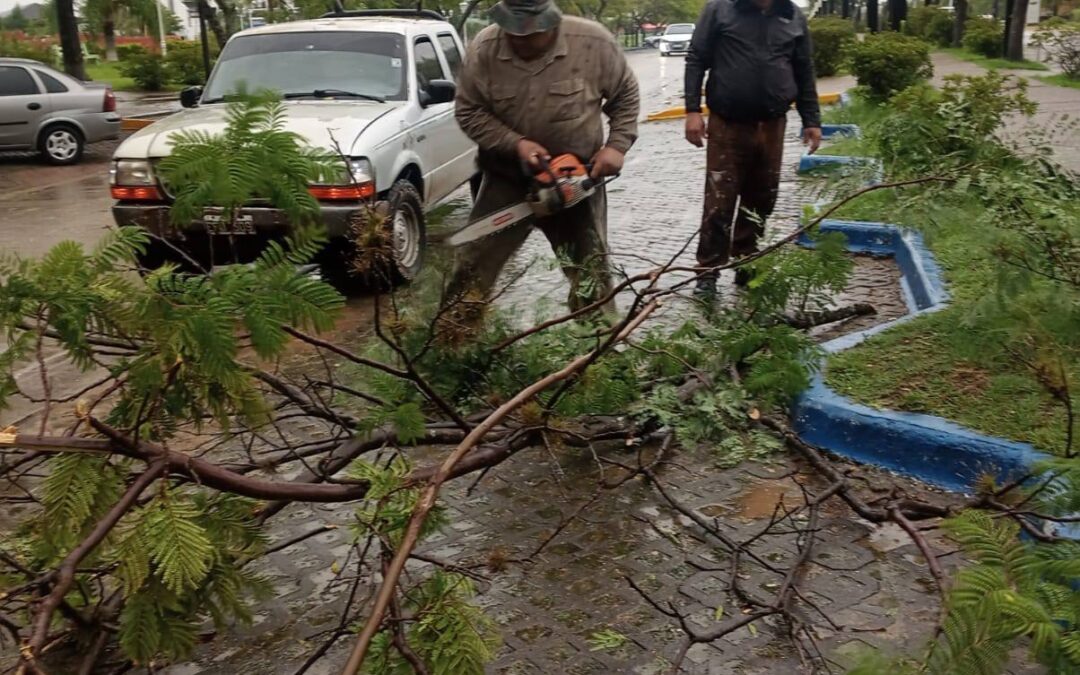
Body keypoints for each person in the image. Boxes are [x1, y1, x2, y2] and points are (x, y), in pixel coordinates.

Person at [448, 0, 639, 314]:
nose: (521, 38)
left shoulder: (594, 42)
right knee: (472, 267)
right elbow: (468, 111)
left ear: (550, 22)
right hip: (506, 178)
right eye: (514, 31)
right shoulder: (484, 48)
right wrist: (516, 143)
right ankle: (454, 338)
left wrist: (616, 146)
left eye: (530, 32)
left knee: (590, 272)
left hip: (574, 180)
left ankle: (599, 347)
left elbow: (625, 92)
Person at [684, 0, 823, 299]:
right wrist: (692, 110)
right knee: (719, 201)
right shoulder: (719, 10)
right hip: (727, 124)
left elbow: (803, 70)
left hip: (772, 124)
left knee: (762, 197)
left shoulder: (792, 16)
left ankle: (746, 260)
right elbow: (696, 59)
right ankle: (707, 271)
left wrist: (812, 120)